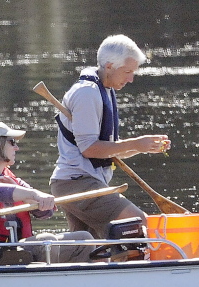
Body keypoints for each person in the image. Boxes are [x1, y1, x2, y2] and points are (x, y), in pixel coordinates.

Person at [49, 34, 171, 237]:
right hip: (76, 183)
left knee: (89, 247)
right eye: (127, 72)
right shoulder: (87, 93)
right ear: (109, 66)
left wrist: (143, 147)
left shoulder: (104, 89)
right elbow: (90, 149)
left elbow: (107, 151)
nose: (131, 79)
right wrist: (135, 143)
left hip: (81, 182)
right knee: (139, 223)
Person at [0, 121, 94, 264]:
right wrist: (32, 194)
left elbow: (46, 213)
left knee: (84, 239)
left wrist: (31, 199)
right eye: (11, 142)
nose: (16, 147)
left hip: (15, 251)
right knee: (47, 241)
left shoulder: (14, 181)